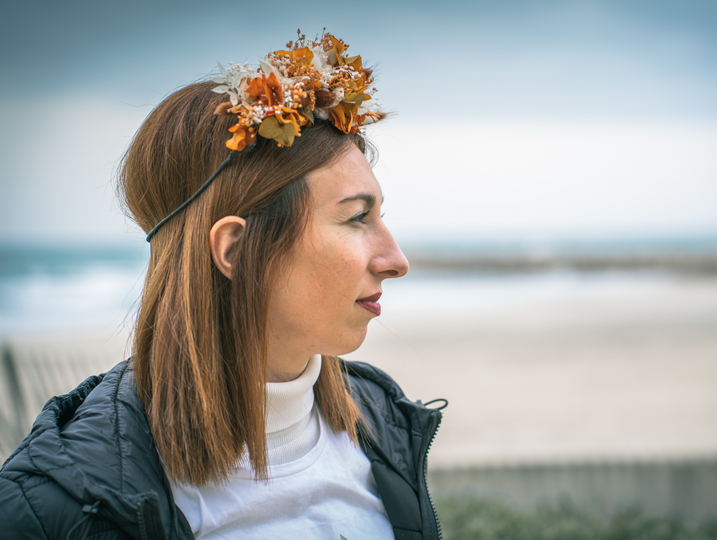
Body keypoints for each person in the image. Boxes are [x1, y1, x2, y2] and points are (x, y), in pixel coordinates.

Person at [0, 32, 444, 539]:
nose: (396, 260)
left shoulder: (384, 422)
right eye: (356, 218)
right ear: (233, 249)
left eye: (379, 215)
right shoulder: (57, 503)